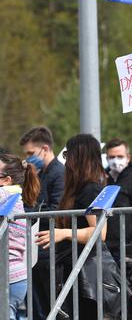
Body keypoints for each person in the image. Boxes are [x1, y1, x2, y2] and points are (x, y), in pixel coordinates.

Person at [34, 134, 124, 318]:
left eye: (68, 155)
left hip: (86, 274)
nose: (65, 161)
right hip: (72, 268)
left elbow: (100, 232)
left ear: (79, 157)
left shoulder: (91, 189)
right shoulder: (76, 189)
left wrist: (64, 233)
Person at [18, 126, 65, 319]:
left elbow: (57, 210)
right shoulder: (40, 173)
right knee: (37, 308)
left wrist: (28, 213)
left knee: (49, 306)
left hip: (50, 251)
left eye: (30, 153)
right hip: (38, 249)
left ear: (44, 148)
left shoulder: (59, 173)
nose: (28, 158)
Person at [0, 153, 40, 320]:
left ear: (6, 180)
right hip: (14, 275)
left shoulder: (4, 195)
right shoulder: (14, 196)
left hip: (7, 275)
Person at [103, 138, 132, 263]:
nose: (115, 160)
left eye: (120, 156)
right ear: (106, 158)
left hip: (126, 250)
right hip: (105, 248)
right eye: (111, 157)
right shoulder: (103, 181)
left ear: (128, 158)